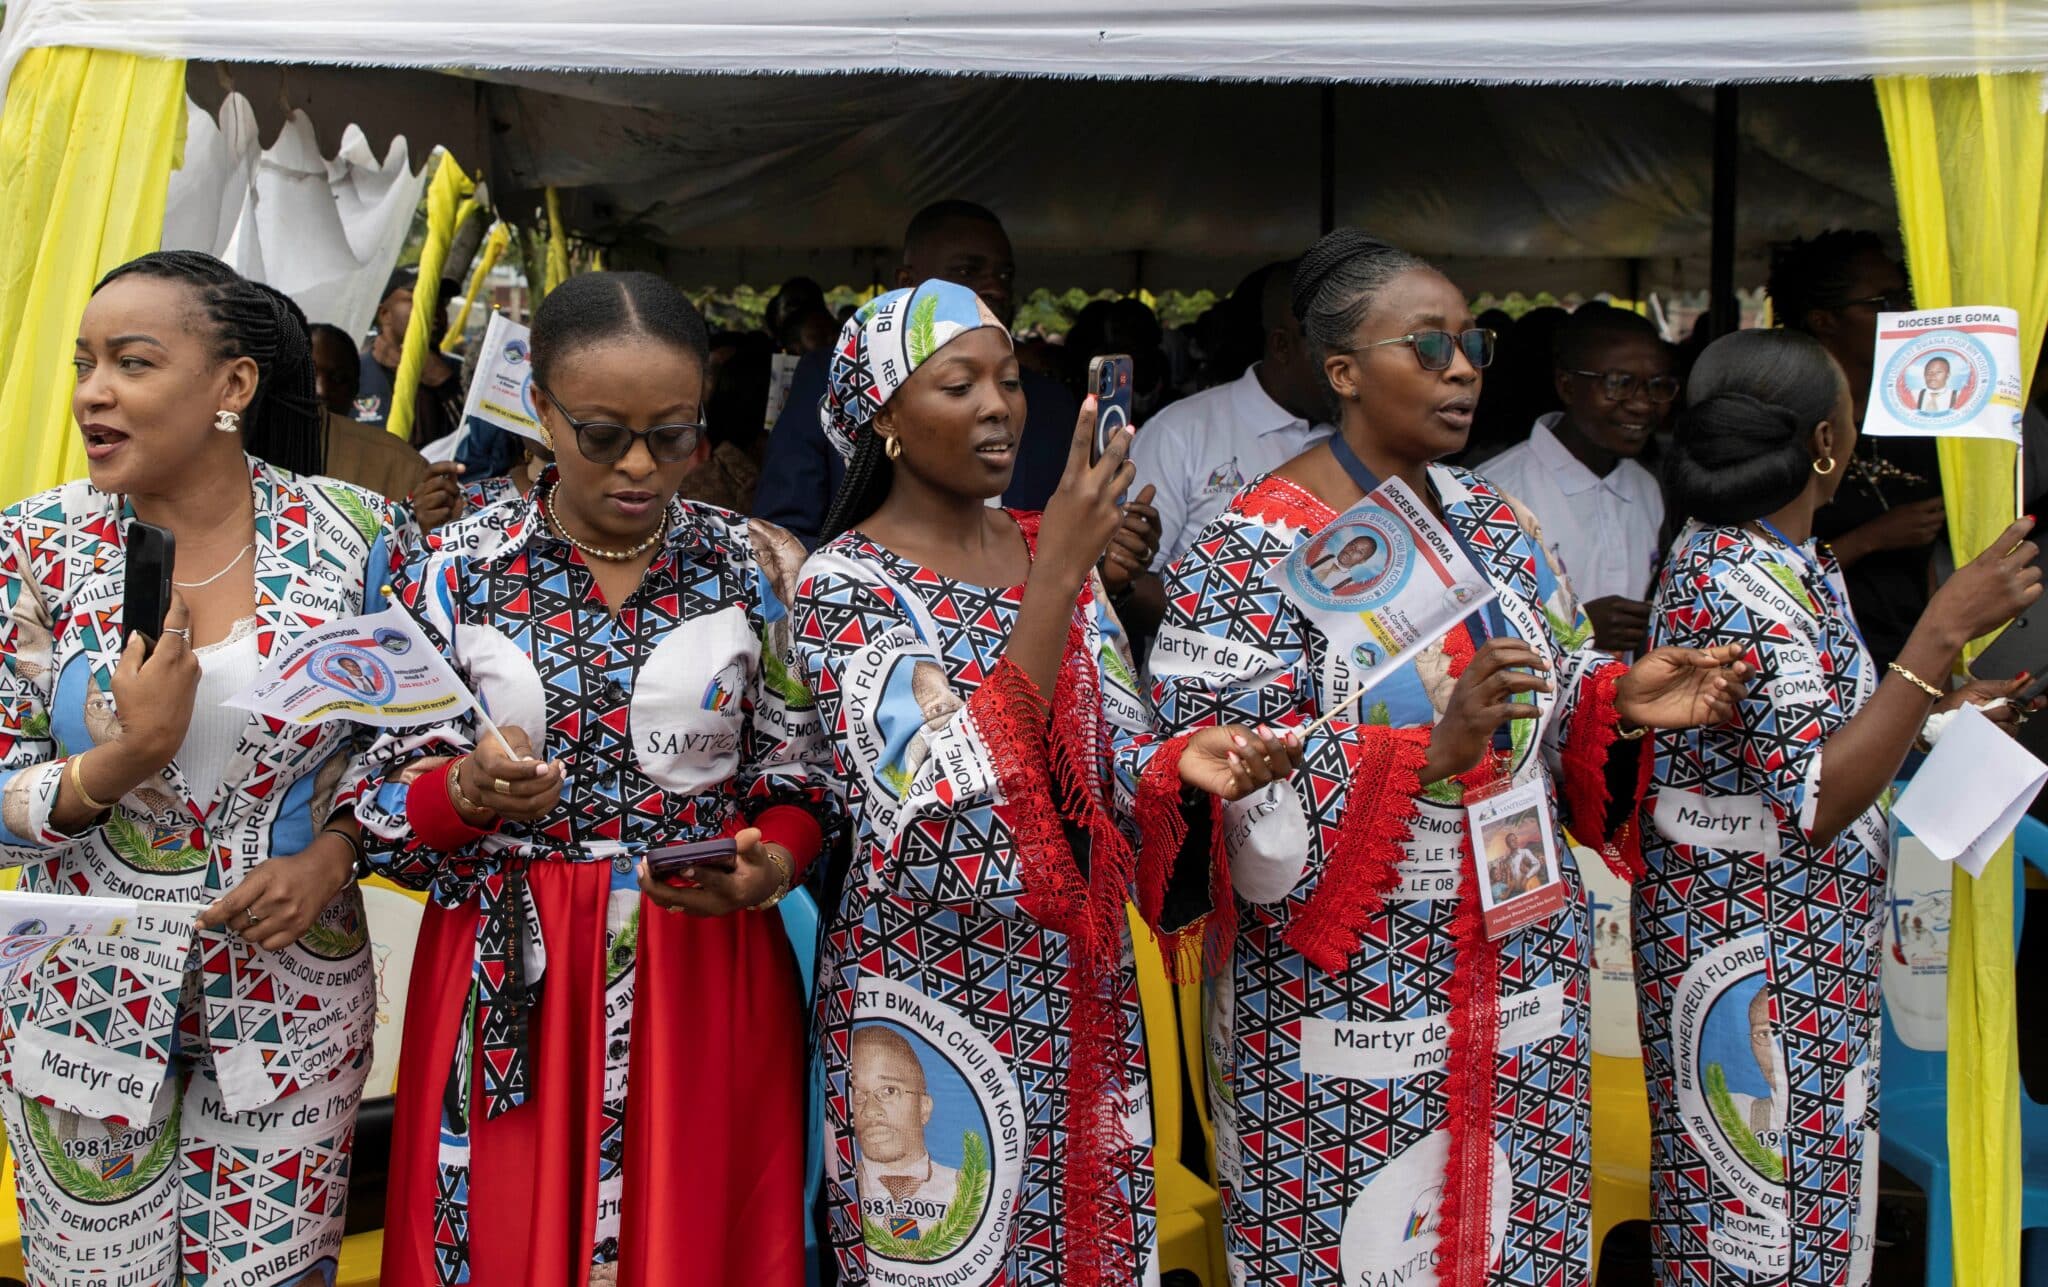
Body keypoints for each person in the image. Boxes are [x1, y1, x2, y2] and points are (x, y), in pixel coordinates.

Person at [1149, 230, 1751, 1287]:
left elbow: (1545, 706)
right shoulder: (1246, 547)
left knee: (1516, 1237)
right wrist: (1418, 752)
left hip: (1519, 982)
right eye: (1426, 347)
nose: (1463, 366)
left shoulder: (1494, 523)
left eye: (1468, 342)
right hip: (1347, 1006)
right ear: (1341, 371)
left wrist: (1615, 698)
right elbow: (1206, 770)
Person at [792, 280, 1298, 1287]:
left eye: (1010, 381)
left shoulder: (1039, 545)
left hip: (1081, 994)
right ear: (883, 416)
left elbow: (1108, 755)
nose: (997, 406)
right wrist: (1058, 579)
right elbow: (934, 812)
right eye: (958, 383)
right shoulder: (844, 585)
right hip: (932, 1005)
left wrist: (1174, 768)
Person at [347, 271, 838, 1287]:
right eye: (601, 433)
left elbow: (802, 774)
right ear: (539, 410)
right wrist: (467, 792)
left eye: (673, 435)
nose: (640, 466)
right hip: (507, 968)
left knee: (695, 1237)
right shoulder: (451, 569)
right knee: (502, 1237)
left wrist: (771, 866)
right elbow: (376, 790)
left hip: (704, 960)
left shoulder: (757, 569)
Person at [0, 250, 390, 1283]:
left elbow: (408, 748)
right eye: (84, 363)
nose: (94, 391)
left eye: (131, 362)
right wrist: (126, 757)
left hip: (291, 1009)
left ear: (233, 385)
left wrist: (336, 853)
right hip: (80, 1012)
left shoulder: (357, 540)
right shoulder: (31, 548)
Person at [1636, 326, 2039, 1287]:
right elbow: (1814, 794)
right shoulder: (1728, 579)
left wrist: (1944, 710)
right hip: (1755, 961)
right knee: (1758, 1236)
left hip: (1813, 953)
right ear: (1825, 441)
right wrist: (1940, 632)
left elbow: (1828, 724)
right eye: (1852, 417)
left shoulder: (1788, 560)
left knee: (1812, 1229)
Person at [753, 201, 1079, 549]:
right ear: (907, 283)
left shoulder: (1052, 405)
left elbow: (1072, 549)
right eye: (968, 271)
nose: (995, 288)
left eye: (1004, 275)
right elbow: (783, 536)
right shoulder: (835, 379)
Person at [1770, 230, 1945, 668]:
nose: (1904, 313)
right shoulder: (1784, 425)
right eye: (1882, 303)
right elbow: (1762, 570)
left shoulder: (1920, 412)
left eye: (1905, 296)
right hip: (1817, 663)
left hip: (1909, 655)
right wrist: (1873, 539)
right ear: (1823, 319)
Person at [1478, 307, 1675, 653]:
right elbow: (1465, 633)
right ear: (1567, 385)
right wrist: (1577, 629)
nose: (1643, 404)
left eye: (1658, 386)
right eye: (1619, 384)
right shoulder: (1494, 491)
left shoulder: (1646, 487)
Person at [1131, 259, 1335, 575]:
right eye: (1334, 347)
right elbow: (1128, 577)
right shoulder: (1180, 432)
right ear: (1282, 345)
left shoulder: (1367, 434)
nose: (1351, 367)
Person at [308, 320, 467, 530]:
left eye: (338, 378)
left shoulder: (401, 466)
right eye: (308, 373)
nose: (322, 390)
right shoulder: (255, 451)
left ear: (355, 388)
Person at [356, 266, 466, 447]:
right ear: (384, 314)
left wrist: (447, 384)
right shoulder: (352, 375)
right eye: (420, 299)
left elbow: (485, 444)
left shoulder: (465, 374)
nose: (433, 309)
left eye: (441, 302)